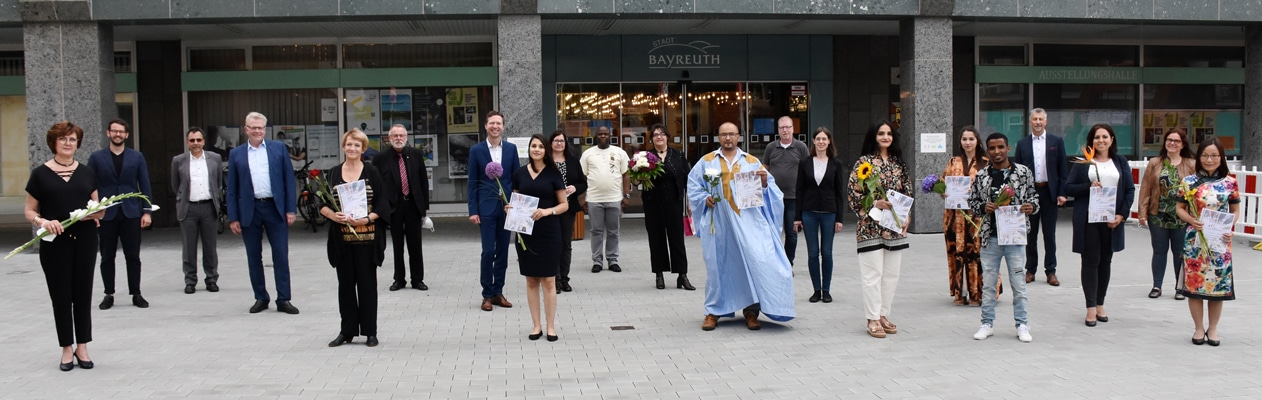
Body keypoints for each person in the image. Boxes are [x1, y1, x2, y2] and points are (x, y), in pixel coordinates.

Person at [687, 122, 795, 331]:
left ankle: (751, 311)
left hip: (747, 225)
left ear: (739, 137)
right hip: (718, 225)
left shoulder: (751, 162)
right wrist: (704, 198)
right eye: (724, 134)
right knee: (717, 267)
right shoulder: (707, 162)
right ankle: (713, 311)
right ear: (718, 137)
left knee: (749, 265)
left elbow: (772, 192)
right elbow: (693, 187)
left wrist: (764, 184)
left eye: (732, 134)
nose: (728, 138)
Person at [25, 122, 105, 371]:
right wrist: (43, 221)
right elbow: (29, 210)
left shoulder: (86, 172)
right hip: (55, 244)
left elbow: (99, 210)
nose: (68, 143)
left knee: (82, 294)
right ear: (54, 143)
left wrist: (96, 214)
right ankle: (66, 349)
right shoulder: (40, 174)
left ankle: (83, 347)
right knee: (61, 296)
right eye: (63, 139)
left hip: (85, 240)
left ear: (77, 143)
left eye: (72, 139)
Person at [322, 128, 390, 348]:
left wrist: (368, 219)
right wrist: (334, 215)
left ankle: (370, 331)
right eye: (349, 144)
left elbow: (383, 203)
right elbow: (320, 203)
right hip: (342, 240)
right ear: (343, 147)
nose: (352, 148)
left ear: (363, 148)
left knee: (368, 285)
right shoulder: (332, 173)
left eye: (357, 145)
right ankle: (347, 331)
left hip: (367, 238)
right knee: (345, 286)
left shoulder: (371, 171)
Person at [227, 111, 300, 315]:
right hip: (249, 211)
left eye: (260, 127)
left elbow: (288, 180)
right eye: (253, 127)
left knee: (280, 255)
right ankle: (261, 297)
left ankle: (284, 298)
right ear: (246, 129)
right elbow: (231, 188)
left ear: (265, 129)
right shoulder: (236, 154)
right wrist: (233, 217)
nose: (257, 131)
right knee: (253, 257)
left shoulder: (278, 149)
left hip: (274, 209)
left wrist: (290, 209)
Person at [968, 133, 1038, 343]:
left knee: (1019, 283)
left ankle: (1022, 324)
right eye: (992, 148)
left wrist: (1031, 207)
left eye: (1000, 147)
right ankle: (986, 323)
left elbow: (1034, 196)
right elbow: (972, 202)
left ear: (1008, 148)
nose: (997, 152)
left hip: (1015, 237)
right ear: (987, 151)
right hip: (991, 237)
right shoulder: (982, 176)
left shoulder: (1023, 172)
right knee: (989, 283)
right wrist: (983, 207)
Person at [847, 120, 913, 339]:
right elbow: (853, 193)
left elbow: (908, 191)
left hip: (894, 227)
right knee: (872, 274)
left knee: (891, 275)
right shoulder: (863, 162)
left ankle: (884, 314)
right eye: (881, 133)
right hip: (870, 227)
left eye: (889, 133)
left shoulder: (899, 163)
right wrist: (875, 203)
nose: (885, 137)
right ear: (873, 136)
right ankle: (872, 318)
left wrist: (907, 215)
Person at [1064, 123, 1135, 327]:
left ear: (1112, 140)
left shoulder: (1120, 162)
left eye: (1105, 137)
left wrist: (1122, 215)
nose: (1101, 140)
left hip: (1112, 220)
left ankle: (1101, 303)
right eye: (1097, 137)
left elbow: (1129, 190)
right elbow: (1069, 187)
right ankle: (1090, 307)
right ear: (1091, 141)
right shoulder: (1083, 162)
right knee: (1090, 262)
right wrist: (1089, 187)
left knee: (1106, 262)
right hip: (1089, 220)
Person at [1176, 138, 1240, 346]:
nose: (1209, 159)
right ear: (1198, 157)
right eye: (1205, 155)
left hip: (1220, 243)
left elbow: (1235, 210)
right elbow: (1179, 209)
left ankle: (1213, 329)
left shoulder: (1230, 182)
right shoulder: (1188, 183)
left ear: (1221, 157)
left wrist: (1231, 227)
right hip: (1195, 241)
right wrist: (1192, 220)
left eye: (1214, 155)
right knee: (1195, 286)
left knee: (1217, 287)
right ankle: (1198, 328)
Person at [509, 134, 570, 341]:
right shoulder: (519, 173)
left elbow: (564, 205)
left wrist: (547, 211)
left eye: (540, 146)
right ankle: (536, 326)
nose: (536, 149)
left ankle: (551, 326)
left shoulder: (554, 173)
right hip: (526, 233)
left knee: (549, 280)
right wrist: (510, 207)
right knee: (531, 280)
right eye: (533, 146)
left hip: (549, 231)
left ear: (546, 150)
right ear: (529, 149)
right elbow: (516, 200)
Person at [87, 119, 154, 309]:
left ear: (127, 135)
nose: (118, 134)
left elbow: (145, 184)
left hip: (131, 213)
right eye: (114, 131)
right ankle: (109, 294)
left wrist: (147, 211)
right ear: (108, 133)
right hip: (106, 215)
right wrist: (93, 213)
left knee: (133, 256)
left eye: (121, 132)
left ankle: (136, 293)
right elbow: (90, 186)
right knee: (107, 256)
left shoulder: (137, 157)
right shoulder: (96, 157)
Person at [468, 110, 519, 311]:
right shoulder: (476, 151)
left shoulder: (511, 149)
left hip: (506, 208)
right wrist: (473, 209)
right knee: (488, 251)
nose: (495, 127)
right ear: (486, 126)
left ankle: (498, 291)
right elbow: (472, 182)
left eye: (498, 123)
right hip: (486, 207)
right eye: (491, 123)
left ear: (503, 127)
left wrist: (516, 205)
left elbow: (516, 179)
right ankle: (486, 294)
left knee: (503, 252)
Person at [1012, 108, 1068, 286]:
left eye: (1040, 119)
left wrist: (1062, 192)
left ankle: (1051, 271)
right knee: (1030, 233)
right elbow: (1017, 171)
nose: (1037, 122)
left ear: (1045, 122)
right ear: (1030, 122)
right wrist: (1019, 195)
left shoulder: (1056, 142)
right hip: (1030, 193)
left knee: (1049, 234)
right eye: (1034, 119)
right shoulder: (1022, 144)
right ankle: (1030, 269)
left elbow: (1062, 169)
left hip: (1049, 192)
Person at [1138, 128, 1195, 299]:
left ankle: (1180, 287)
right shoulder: (1155, 162)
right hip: (1158, 214)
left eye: (1176, 141)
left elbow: (1197, 190)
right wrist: (1142, 212)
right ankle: (1157, 286)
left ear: (1182, 144)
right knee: (1159, 250)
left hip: (1181, 216)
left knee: (1179, 251)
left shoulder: (1191, 164)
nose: (1172, 143)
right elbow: (1146, 187)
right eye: (1169, 140)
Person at [373, 124, 431, 292]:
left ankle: (417, 279)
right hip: (393, 207)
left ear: (406, 137)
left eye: (401, 135)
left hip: (413, 206)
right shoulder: (381, 158)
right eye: (395, 136)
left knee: (415, 245)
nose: (398, 138)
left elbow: (422, 182)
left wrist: (424, 208)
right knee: (397, 246)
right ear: (389, 138)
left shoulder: (415, 154)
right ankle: (399, 279)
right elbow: (377, 185)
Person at [792, 127, 845, 303]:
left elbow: (839, 193)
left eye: (824, 139)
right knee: (813, 253)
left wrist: (840, 219)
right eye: (818, 139)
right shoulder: (805, 163)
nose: (821, 142)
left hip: (829, 213)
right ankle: (816, 290)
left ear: (829, 142)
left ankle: (826, 290)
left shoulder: (836, 164)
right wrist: (797, 217)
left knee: (827, 253)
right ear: (813, 142)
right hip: (809, 213)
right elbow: (799, 191)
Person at [640, 124, 694, 291]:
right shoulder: (645, 157)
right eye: (655, 135)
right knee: (656, 240)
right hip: (653, 204)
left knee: (677, 239)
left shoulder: (678, 155)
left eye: (662, 134)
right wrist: (637, 176)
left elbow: (688, 180)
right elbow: (636, 179)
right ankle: (659, 274)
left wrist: (689, 201)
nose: (659, 137)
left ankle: (682, 275)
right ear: (652, 139)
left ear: (667, 137)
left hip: (674, 203)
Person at [171, 127, 223, 294]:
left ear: (204, 141)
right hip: (189, 207)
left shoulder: (215, 159)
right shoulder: (178, 160)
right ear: (187, 142)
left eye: (198, 140)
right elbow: (175, 185)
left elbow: (219, 182)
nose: (196, 143)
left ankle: (211, 278)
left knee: (210, 246)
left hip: (209, 207)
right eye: (192, 140)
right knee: (189, 247)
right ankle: (190, 280)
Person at [942, 126, 989, 305]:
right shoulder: (953, 162)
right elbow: (942, 183)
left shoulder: (986, 162)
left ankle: (977, 293)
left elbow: (991, 188)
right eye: (964, 139)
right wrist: (943, 192)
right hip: (955, 218)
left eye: (971, 139)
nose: (968, 142)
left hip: (976, 217)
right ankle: (958, 293)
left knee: (976, 254)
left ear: (977, 141)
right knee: (956, 253)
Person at [579, 125, 630, 273]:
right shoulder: (588, 154)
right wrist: (582, 198)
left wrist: (626, 195)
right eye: (600, 134)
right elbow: (583, 177)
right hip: (594, 199)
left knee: (614, 231)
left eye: (605, 134)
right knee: (596, 231)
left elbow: (626, 175)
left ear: (610, 135)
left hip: (615, 198)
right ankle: (597, 261)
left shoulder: (619, 152)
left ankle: (613, 259)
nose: (602, 136)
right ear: (596, 135)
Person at [763, 116, 809, 266]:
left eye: (788, 127)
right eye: (782, 127)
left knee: (791, 233)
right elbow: (765, 169)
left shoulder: (801, 147)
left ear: (792, 129)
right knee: (773, 232)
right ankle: (775, 263)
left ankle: (788, 263)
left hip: (793, 198)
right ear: (778, 130)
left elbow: (807, 171)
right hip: (774, 198)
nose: (785, 130)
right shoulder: (771, 147)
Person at [549, 130, 586, 294]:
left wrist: (575, 188)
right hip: (550, 208)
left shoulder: (572, 161)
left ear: (566, 143)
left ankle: (564, 279)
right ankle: (554, 279)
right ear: (550, 143)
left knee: (566, 244)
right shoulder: (546, 162)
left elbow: (583, 183)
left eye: (562, 141)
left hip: (568, 208)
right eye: (556, 140)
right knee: (553, 244)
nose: (559, 143)